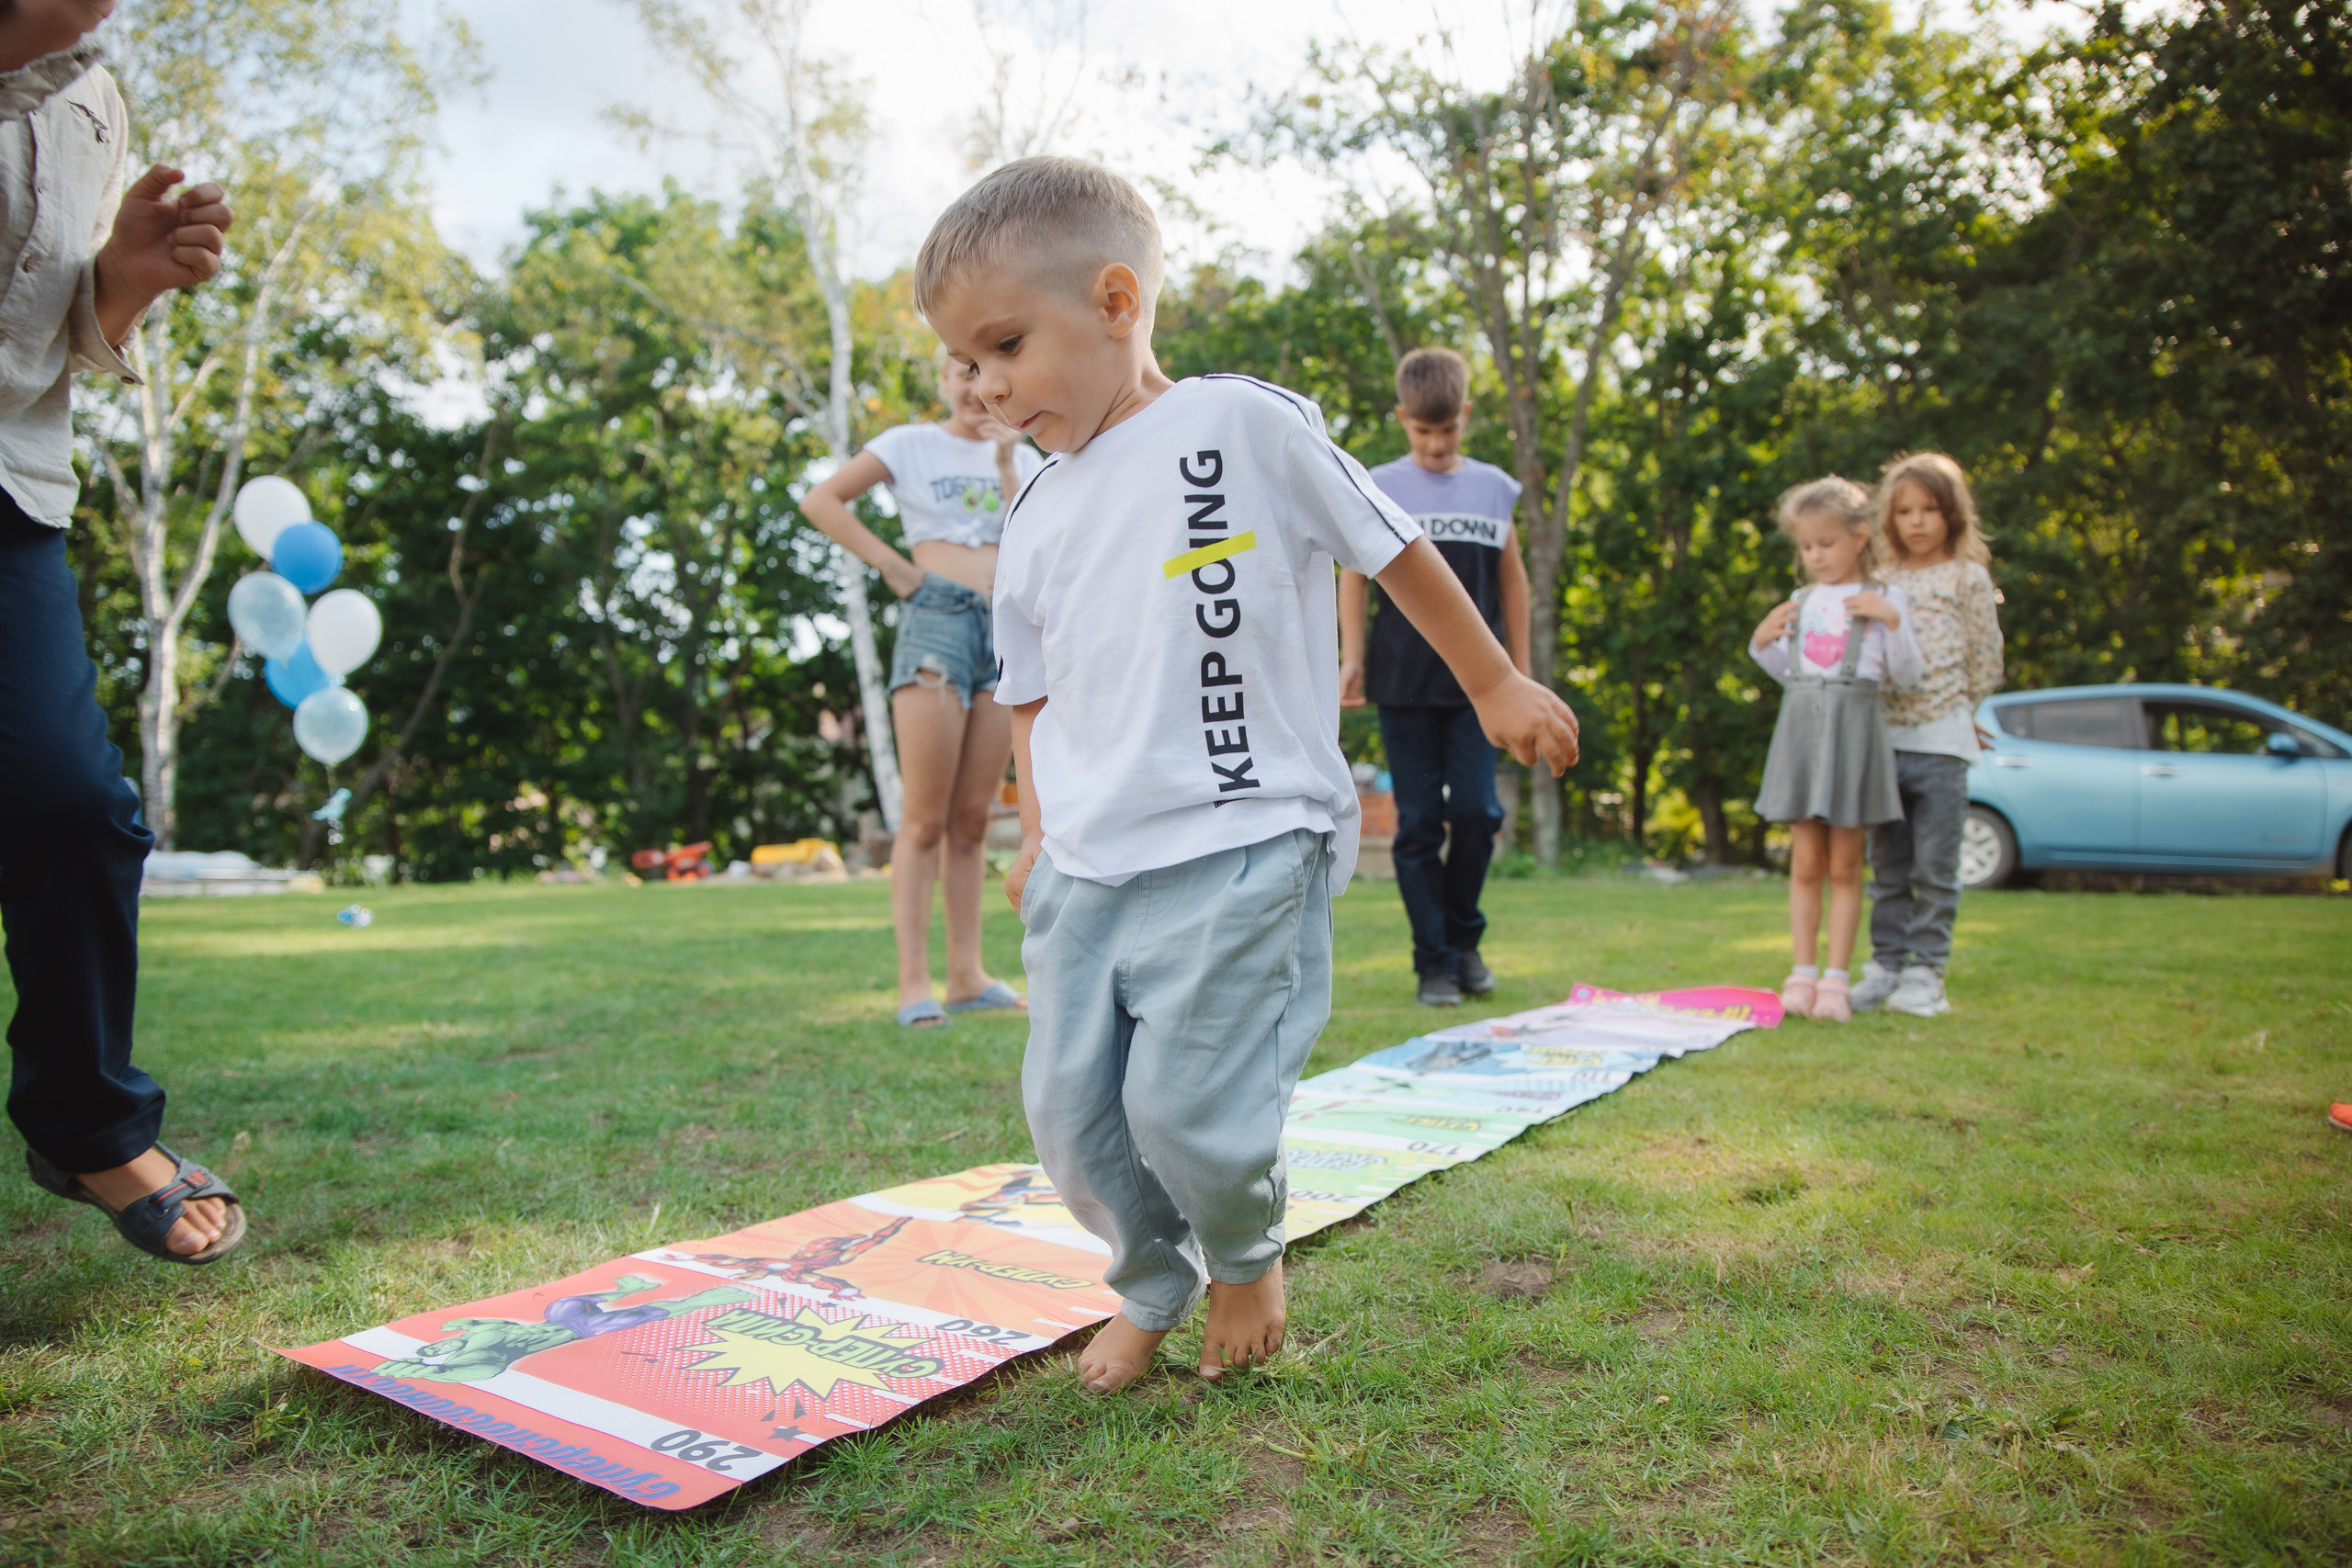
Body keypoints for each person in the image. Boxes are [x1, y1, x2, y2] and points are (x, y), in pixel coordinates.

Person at [914, 156, 1579, 1393]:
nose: (987, 385)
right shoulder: (1036, 513)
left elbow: (1393, 546)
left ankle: (1242, 1255)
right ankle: (1151, 1279)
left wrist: (1493, 683)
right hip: (1089, 864)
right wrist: (1036, 834)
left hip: (1245, 836)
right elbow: (1030, 694)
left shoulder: (1240, 425)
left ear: (1116, 301)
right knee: (1072, 1118)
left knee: (1185, 1105)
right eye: (966, 362)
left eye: (1005, 345)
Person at [3, 0, 243, 1262]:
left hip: (11, 491)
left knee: (72, 804)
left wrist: (128, 278)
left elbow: (48, 334)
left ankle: (84, 1121)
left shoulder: (91, 102)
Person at [800, 354, 1045, 1027]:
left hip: (1003, 629)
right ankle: (915, 982)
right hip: (935, 620)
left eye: (984, 371)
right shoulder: (909, 444)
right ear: (942, 381)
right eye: (960, 372)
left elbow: (1034, 539)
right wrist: (892, 566)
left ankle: (967, 975)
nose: (974, 387)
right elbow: (820, 499)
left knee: (972, 820)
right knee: (924, 818)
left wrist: (1007, 462)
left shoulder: (1028, 455)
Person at [1337, 347, 1531, 1008]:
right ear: (1403, 420)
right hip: (1405, 683)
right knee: (1419, 823)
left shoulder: (1495, 489)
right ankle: (1436, 964)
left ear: (1465, 415)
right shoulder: (1377, 484)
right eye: (1424, 431)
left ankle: (1464, 940)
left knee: (1477, 813)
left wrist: (1521, 672)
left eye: (1447, 430)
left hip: (1481, 686)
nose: (1437, 444)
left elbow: (1513, 583)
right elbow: (1355, 574)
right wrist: (1353, 655)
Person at [1749, 478, 1924, 1023]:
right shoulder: (1800, 602)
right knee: (1805, 863)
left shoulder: (1885, 597)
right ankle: (1801, 975)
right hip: (1803, 729)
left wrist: (1892, 621)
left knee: (1847, 865)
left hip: (1853, 731)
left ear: (1859, 537)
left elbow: (1907, 676)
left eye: (1826, 543)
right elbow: (1789, 674)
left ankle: (1836, 982)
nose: (1816, 556)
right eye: (1806, 546)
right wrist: (1761, 640)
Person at [1850, 453, 2003, 1018]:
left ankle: (1926, 972)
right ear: (1889, 518)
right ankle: (1886, 966)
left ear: (1952, 514)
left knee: (1935, 868)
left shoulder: (1967, 577)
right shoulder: (1880, 580)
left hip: (1942, 744)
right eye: (1905, 511)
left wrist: (1962, 709)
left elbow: (1986, 659)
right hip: (1885, 742)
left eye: (1929, 509)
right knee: (1888, 867)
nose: (1917, 521)